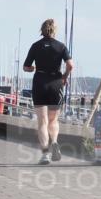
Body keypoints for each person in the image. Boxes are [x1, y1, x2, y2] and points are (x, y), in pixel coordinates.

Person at [23, 20, 74, 165]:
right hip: (56, 83)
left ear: (42, 30)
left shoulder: (36, 46)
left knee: (42, 122)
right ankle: (55, 141)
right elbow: (70, 65)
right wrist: (64, 76)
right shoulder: (61, 46)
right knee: (53, 120)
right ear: (54, 30)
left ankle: (45, 154)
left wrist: (32, 69)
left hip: (40, 81)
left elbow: (26, 67)